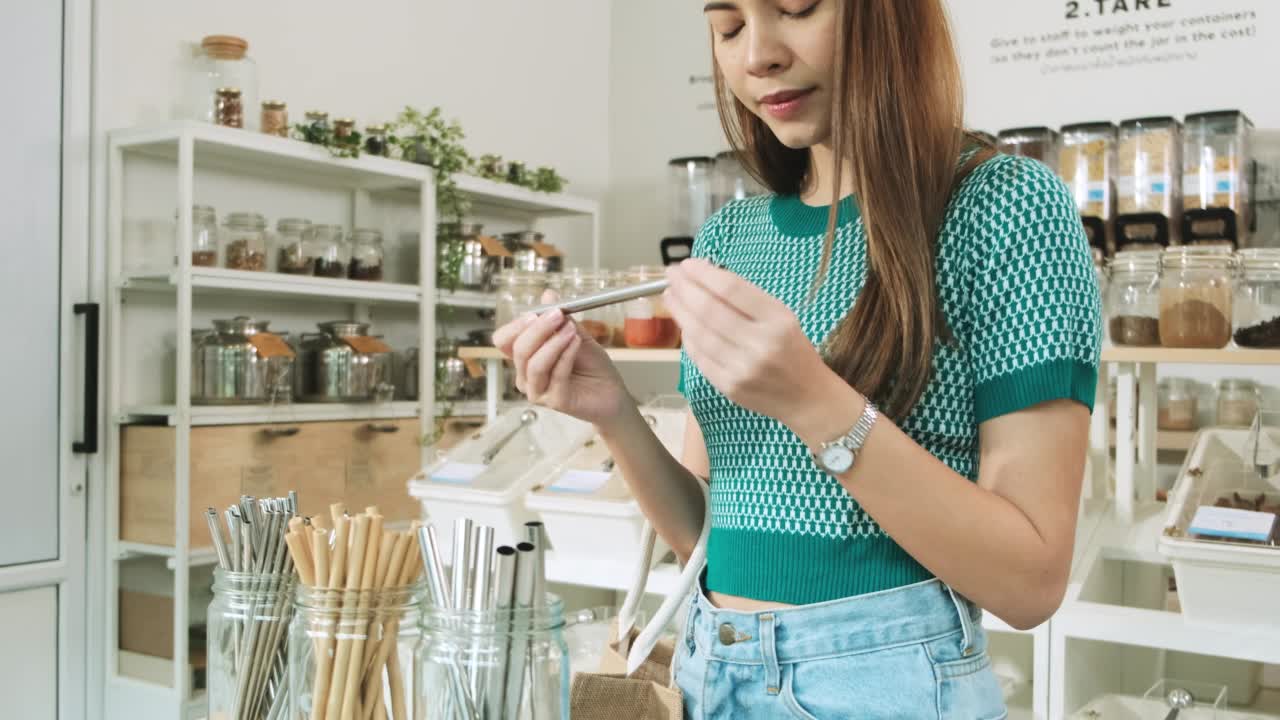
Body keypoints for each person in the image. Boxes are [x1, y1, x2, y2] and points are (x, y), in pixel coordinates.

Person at [494, 0, 1101, 716]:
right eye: (729, 27)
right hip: (706, 671)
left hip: (886, 685)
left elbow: (1030, 583)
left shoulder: (1005, 205)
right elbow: (706, 536)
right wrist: (613, 413)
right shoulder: (730, 238)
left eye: (795, 9)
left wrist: (813, 400)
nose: (757, 56)